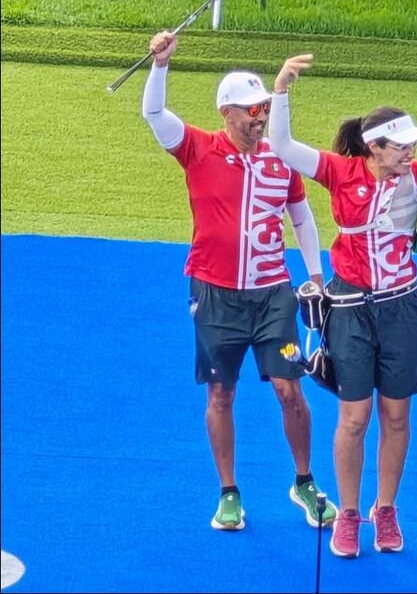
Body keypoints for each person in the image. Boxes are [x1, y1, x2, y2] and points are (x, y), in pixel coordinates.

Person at [141, 32, 336, 531]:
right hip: (214, 293)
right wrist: (160, 65)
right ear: (226, 112)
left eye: (264, 107)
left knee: (290, 389)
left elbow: (301, 217)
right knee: (220, 394)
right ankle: (228, 492)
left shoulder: (281, 158)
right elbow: (154, 115)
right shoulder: (198, 148)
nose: (260, 116)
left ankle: (304, 481)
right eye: (250, 109)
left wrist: (316, 276)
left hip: (273, 295)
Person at [268, 54, 417, 559]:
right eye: (402, 145)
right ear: (375, 147)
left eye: (413, 144)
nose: (411, 152)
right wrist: (282, 89)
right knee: (354, 417)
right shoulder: (340, 172)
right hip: (349, 309)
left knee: (396, 415)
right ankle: (348, 514)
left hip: (401, 307)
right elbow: (283, 146)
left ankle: (385, 510)